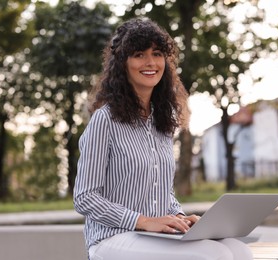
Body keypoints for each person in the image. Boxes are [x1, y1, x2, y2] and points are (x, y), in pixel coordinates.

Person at [73, 18, 253, 260]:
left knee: (239, 249)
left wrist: (179, 216)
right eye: (139, 54)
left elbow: (161, 191)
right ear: (122, 64)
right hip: (110, 238)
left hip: (154, 235)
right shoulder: (104, 120)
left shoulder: (162, 120)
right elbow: (85, 198)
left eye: (157, 54)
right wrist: (143, 221)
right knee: (214, 255)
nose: (150, 62)